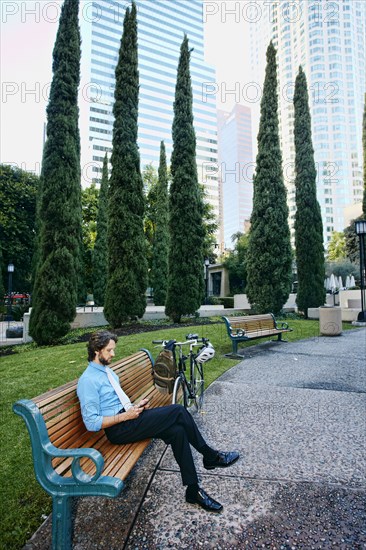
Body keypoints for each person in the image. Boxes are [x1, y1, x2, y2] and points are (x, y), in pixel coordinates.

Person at [77, 330, 240, 512]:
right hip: (118, 430)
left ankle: (193, 490)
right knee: (178, 411)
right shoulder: (88, 381)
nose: (113, 354)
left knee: (177, 431)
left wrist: (135, 407)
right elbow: (91, 423)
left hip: (128, 418)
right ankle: (210, 456)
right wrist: (126, 416)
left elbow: (114, 402)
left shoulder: (106, 372)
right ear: (96, 351)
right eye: (109, 350)